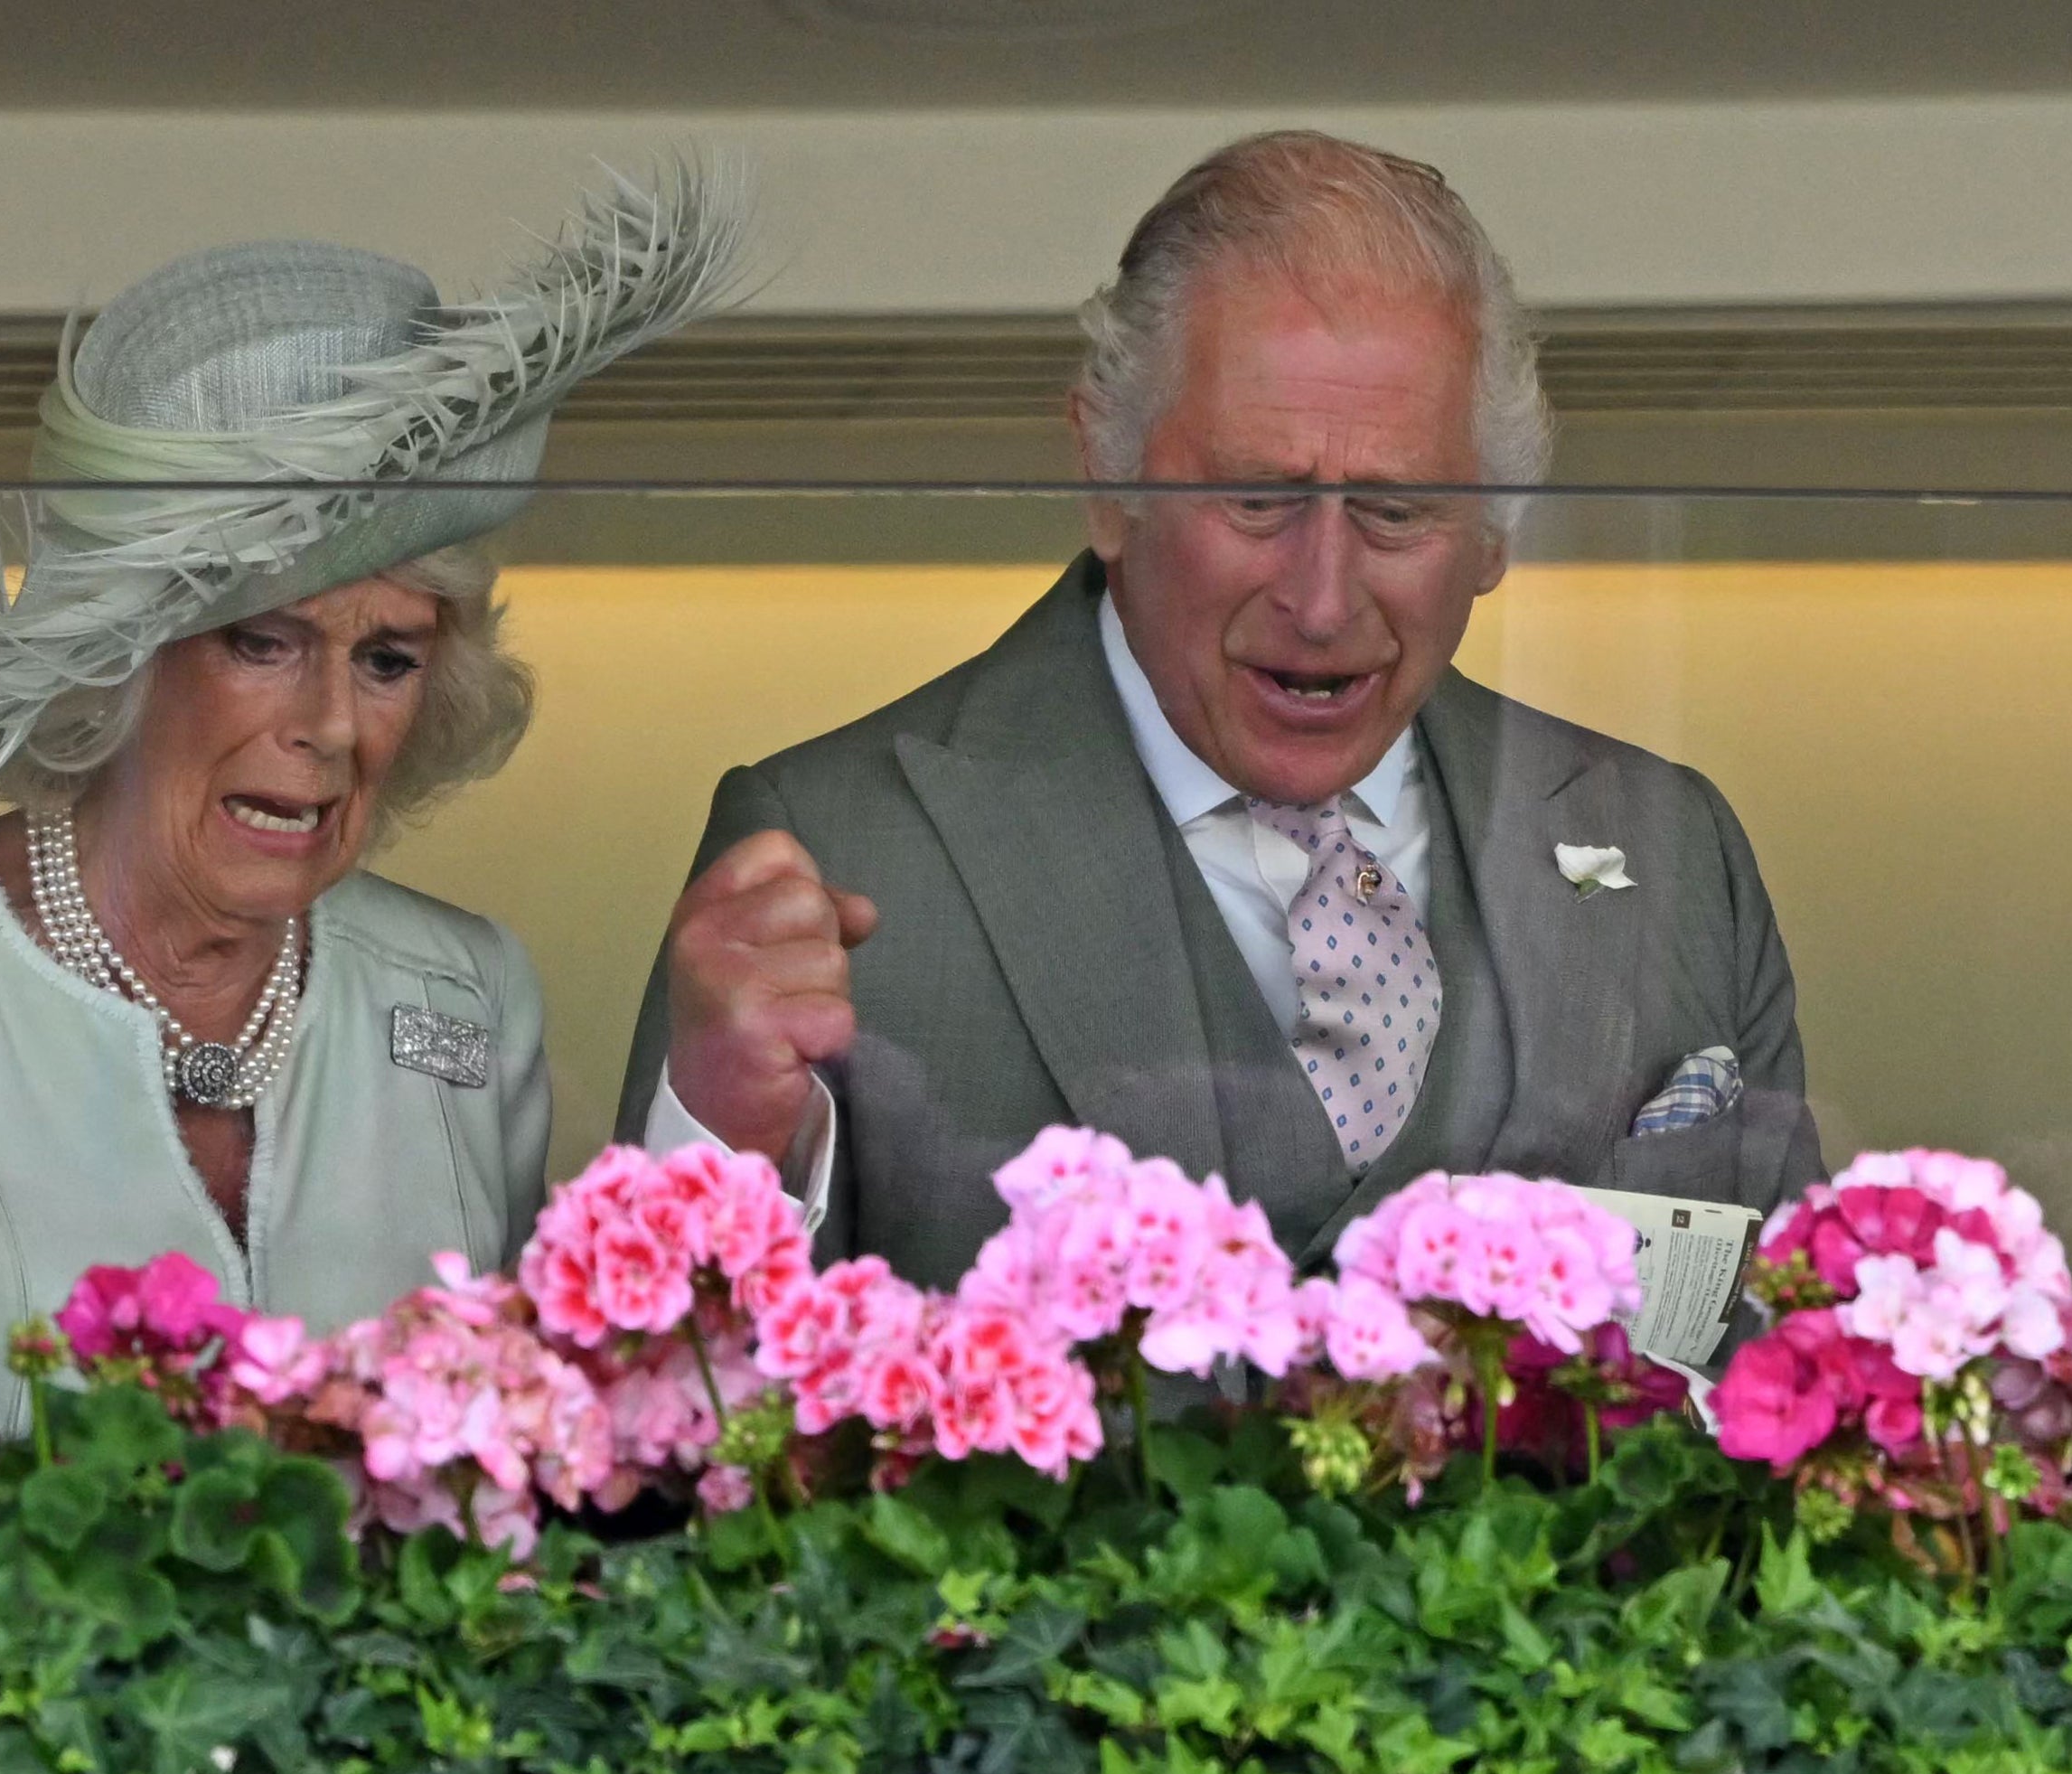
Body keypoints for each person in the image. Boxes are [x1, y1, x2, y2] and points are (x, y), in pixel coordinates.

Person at [619, 131, 1823, 1287]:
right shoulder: (835, 847)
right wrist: (715, 1143)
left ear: (1498, 528)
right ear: (1108, 478)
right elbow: (671, 1445)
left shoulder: (1675, 849)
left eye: (1398, 511)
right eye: (1258, 499)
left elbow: (1790, 1394)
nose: (1321, 596)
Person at [0, 168, 749, 1433]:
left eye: (386, 657)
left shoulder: (460, 991)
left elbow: (530, 1445)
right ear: (120, 658)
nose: (332, 726)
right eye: (263, 644)